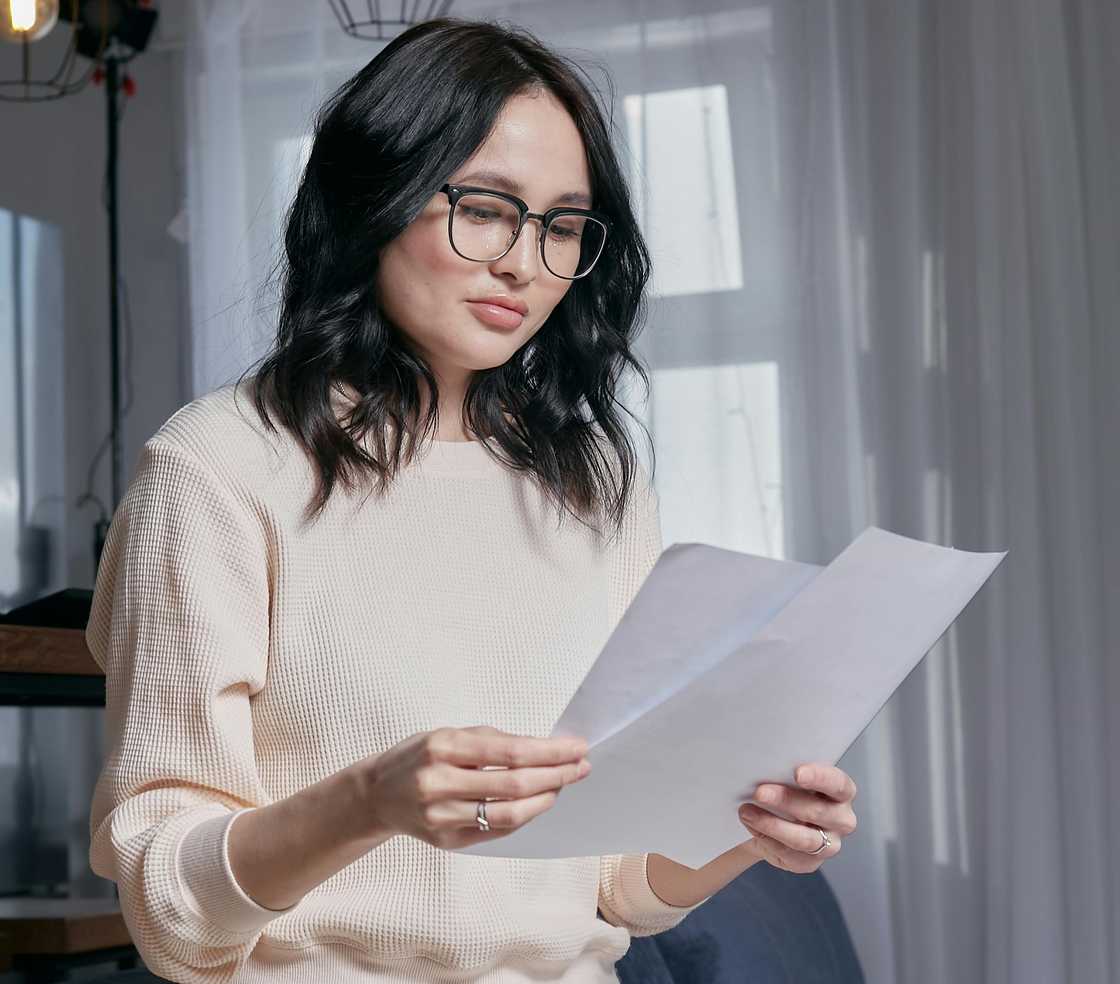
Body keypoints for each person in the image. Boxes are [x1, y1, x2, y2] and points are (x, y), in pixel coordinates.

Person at [86, 16, 858, 984]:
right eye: (487, 208)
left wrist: (747, 836)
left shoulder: (596, 487)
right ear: (376, 199)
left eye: (563, 226)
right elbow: (171, 914)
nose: (525, 264)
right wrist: (369, 799)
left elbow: (614, 888)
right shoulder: (220, 468)